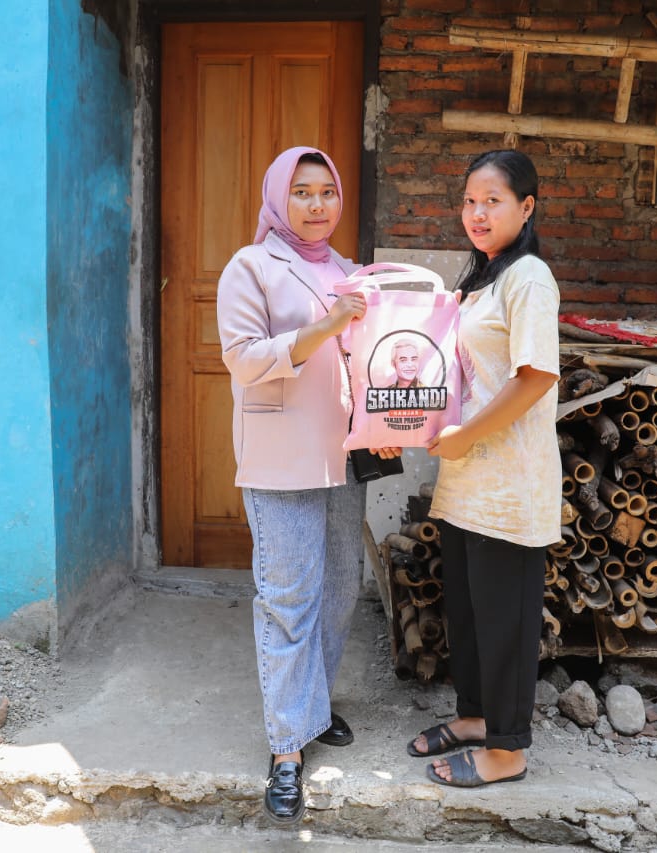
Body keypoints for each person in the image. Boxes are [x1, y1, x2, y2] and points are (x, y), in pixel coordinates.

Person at [216, 146, 370, 823]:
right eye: (302, 192)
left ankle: (309, 706)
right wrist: (325, 328)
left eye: (326, 192)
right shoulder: (249, 267)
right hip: (281, 459)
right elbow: (245, 360)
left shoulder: (351, 271)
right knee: (288, 596)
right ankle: (285, 750)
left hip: (343, 457)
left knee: (339, 588)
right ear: (280, 198)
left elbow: (372, 360)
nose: (317, 205)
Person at [400, 149, 561, 787]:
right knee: (469, 612)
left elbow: (535, 377)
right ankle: (475, 719)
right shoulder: (486, 277)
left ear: (526, 208)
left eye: (492, 200)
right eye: (469, 200)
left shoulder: (529, 279)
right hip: (470, 479)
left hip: (510, 482)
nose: (477, 212)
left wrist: (466, 434)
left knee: (506, 620)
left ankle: (508, 750)